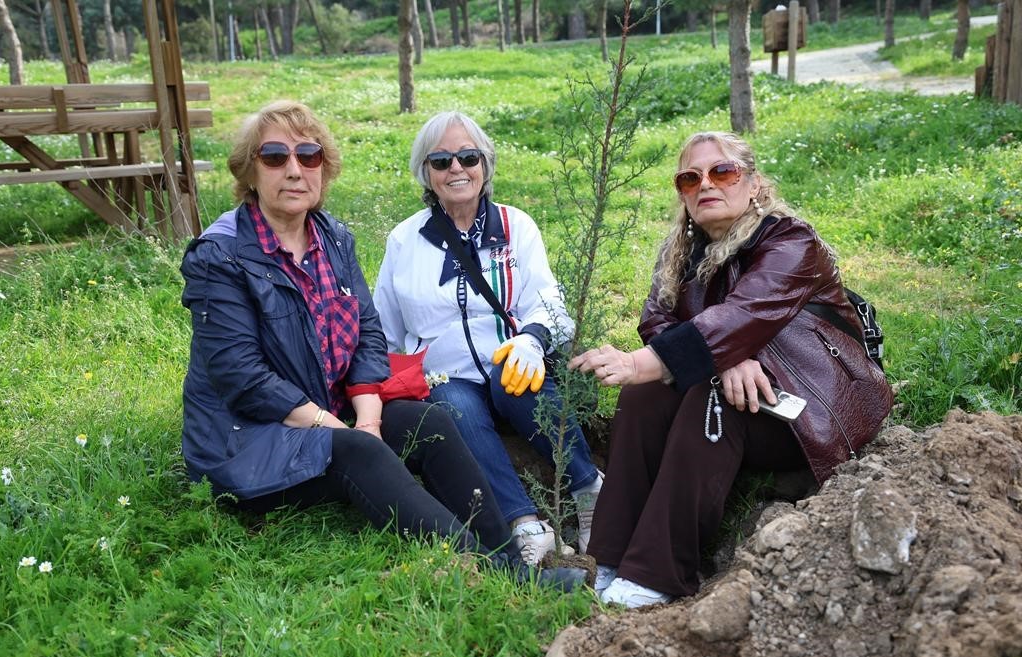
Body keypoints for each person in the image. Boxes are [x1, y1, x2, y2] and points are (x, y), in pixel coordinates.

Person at [179, 100, 585, 592]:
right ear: (248, 170)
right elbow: (241, 377)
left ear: (324, 169)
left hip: (326, 418)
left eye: (308, 156)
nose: (294, 169)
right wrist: (346, 429)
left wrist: (368, 419)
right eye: (274, 156)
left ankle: (506, 552)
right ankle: (500, 578)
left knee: (428, 420)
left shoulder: (332, 238)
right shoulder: (219, 253)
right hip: (250, 441)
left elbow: (368, 335)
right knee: (357, 451)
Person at [570, 131, 893, 608]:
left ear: (755, 184)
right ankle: (609, 557)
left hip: (815, 409)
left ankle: (661, 572)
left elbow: (743, 314)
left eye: (722, 171)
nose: (706, 184)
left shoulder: (790, 241)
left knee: (706, 397)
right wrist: (729, 360)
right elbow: (657, 317)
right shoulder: (682, 251)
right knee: (643, 395)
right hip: (748, 392)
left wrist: (654, 363)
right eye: (689, 177)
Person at [373, 111, 603, 566]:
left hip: (513, 362)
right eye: (441, 161)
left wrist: (533, 341)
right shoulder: (404, 240)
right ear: (426, 173)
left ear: (485, 165)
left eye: (468, 157)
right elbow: (384, 328)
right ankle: (524, 525)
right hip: (445, 375)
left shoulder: (517, 225)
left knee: (511, 375)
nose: (456, 168)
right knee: (452, 404)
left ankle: (590, 488)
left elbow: (551, 303)